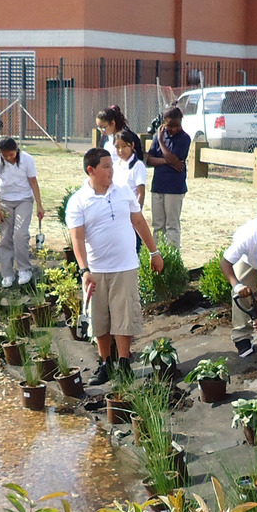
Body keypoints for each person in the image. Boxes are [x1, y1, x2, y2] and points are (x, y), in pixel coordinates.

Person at [65, 147, 163, 386]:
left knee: (124, 317)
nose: (111, 171)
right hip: (96, 270)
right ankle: (106, 364)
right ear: (91, 170)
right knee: (100, 319)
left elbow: (138, 221)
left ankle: (124, 363)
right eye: (106, 166)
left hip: (126, 266)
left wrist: (154, 252)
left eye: (112, 165)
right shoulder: (78, 201)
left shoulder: (123, 193)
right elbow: (77, 238)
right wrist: (84, 270)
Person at [0, 136, 44, 287]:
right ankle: (7, 273)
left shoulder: (27, 159)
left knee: (20, 234)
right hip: (4, 200)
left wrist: (39, 204)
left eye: (11, 155)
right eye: (4, 156)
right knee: (6, 236)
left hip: (24, 199)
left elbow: (33, 181)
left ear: (16, 149)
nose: (8, 158)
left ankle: (24, 269)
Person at [218, 216, 257, 357]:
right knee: (241, 288)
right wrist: (237, 286)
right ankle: (241, 337)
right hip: (247, 257)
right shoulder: (248, 238)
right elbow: (225, 263)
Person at [146, 105, 191, 250]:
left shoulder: (184, 138)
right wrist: (169, 160)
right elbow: (149, 160)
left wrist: (161, 144)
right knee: (158, 225)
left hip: (174, 188)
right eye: (170, 126)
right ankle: (158, 255)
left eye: (176, 125)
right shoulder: (158, 136)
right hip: (158, 185)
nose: (174, 129)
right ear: (163, 124)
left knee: (172, 225)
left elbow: (174, 158)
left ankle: (172, 257)